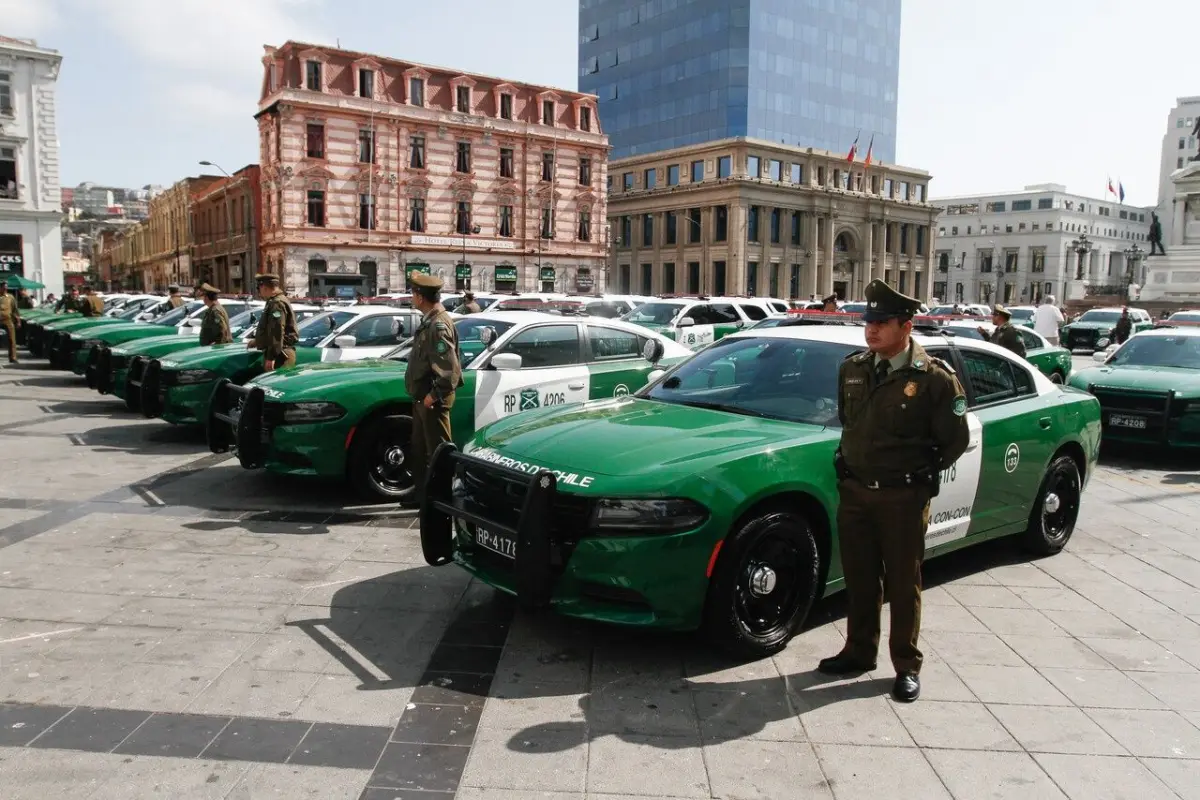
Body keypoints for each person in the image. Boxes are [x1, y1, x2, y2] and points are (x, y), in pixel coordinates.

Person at [821, 279, 970, 703]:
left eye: (882, 323)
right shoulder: (853, 368)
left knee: (904, 584)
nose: (871, 330)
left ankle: (906, 665)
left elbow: (954, 439)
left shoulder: (933, 379)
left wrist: (917, 472)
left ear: (907, 326)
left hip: (903, 498)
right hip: (856, 494)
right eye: (868, 322)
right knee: (861, 578)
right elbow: (850, 423)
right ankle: (859, 650)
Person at [405, 272, 462, 502]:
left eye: (413, 293)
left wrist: (432, 397)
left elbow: (449, 371)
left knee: (438, 453)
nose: (411, 297)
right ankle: (422, 495)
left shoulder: (438, 326)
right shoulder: (429, 321)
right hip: (423, 399)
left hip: (432, 402)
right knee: (419, 451)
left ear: (420, 297)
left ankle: (442, 500)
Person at [250, 274, 298, 371]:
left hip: (280, 355)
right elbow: (270, 329)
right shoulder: (274, 301)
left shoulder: (276, 303)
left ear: (264, 287)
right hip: (279, 352)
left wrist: (271, 357)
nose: (259, 292)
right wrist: (258, 341)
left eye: (258, 288)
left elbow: (277, 331)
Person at [0, 282, 20, 364]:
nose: (5, 289)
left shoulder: (10, 297)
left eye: (6, 288)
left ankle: (13, 357)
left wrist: (18, 321)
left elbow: (15, 310)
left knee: (12, 338)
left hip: (8, 319)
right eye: (3, 288)